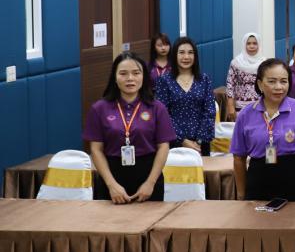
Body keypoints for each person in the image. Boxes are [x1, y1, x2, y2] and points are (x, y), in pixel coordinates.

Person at [83, 52, 176, 203]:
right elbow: (96, 150)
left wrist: (150, 183)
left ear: (144, 76)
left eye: (136, 73)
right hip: (111, 177)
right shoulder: (99, 108)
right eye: (123, 73)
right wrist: (111, 185)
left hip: (149, 177)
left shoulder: (157, 108)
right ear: (114, 77)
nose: (130, 78)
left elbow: (164, 147)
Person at [231, 58, 295, 202]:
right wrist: (241, 194)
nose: (278, 87)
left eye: (284, 81)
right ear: (260, 84)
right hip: (258, 182)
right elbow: (239, 158)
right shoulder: (246, 114)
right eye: (271, 81)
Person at [154, 37, 216, 155]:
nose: (186, 57)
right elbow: (163, 114)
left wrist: (199, 141)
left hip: (201, 144)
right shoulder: (164, 80)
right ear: (175, 55)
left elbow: (210, 111)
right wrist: (182, 140)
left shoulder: (204, 79)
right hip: (173, 143)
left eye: (190, 53)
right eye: (181, 52)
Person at [225, 32, 264, 120]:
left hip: (260, 104)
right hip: (240, 105)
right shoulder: (236, 62)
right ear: (244, 45)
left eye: (255, 43)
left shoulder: (264, 63)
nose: (251, 46)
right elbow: (230, 84)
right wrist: (230, 106)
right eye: (248, 43)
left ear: (259, 45)